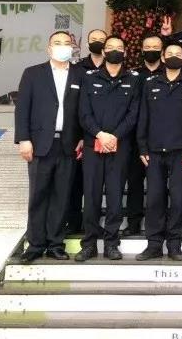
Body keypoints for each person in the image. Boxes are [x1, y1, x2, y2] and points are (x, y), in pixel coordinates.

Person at [15, 31, 83, 264]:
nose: (63, 47)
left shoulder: (80, 74)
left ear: (73, 48)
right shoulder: (33, 73)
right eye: (57, 43)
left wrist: (81, 137)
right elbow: (22, 108)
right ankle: (35, 245)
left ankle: (55, 244)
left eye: (67, 43)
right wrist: (23, 139)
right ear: (49, 48)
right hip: (39, 144)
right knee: (38, 195)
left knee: (61, 197)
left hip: (68, 144)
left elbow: (83, 110)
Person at [136, 43, 182, 261]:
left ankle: (175, 244)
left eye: (178, 54)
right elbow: (143, 117)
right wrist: (142, 147)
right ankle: (154, 244)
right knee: (154, 198)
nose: (173, 57)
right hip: (154, 151)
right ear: (163, 58)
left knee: (178, 199)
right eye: (169, 54)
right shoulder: (150, 83)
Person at [76, 36, 141, 262]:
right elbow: (83, 112)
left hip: (120, 146)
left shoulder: (133, 79)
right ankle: (89, 244)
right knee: (91, 196)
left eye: (119, 48)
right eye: (110, 48)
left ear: (126, 52)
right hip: (93, 144)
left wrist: (115, 136)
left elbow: (134, 113)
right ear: (103, 52)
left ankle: (112, 243)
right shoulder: (89, 77)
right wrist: (100, 134)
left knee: (115, 196)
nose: (115, 51)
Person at [122, 34, 164, 237]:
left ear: (162, 51)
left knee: (160, 184)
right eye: (147, 46)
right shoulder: (133, 75)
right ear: (141, 50)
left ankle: (159, 222)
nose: (151, 50)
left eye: (156, 46)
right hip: (134, 137)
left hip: (160, 137)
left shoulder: (169, 73)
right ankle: (133, 222)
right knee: (135, 181)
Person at [67, 29, 107, 234]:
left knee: (97, 184)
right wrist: (80, 135)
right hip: (80, 135)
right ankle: (74, 223)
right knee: (76, 182)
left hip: (105, 135)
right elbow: (74, 105)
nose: (97, 42)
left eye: (101, 40)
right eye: (94, 39)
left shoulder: (115, 67)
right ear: (87, 43)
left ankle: (95, 224)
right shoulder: (77, 69)